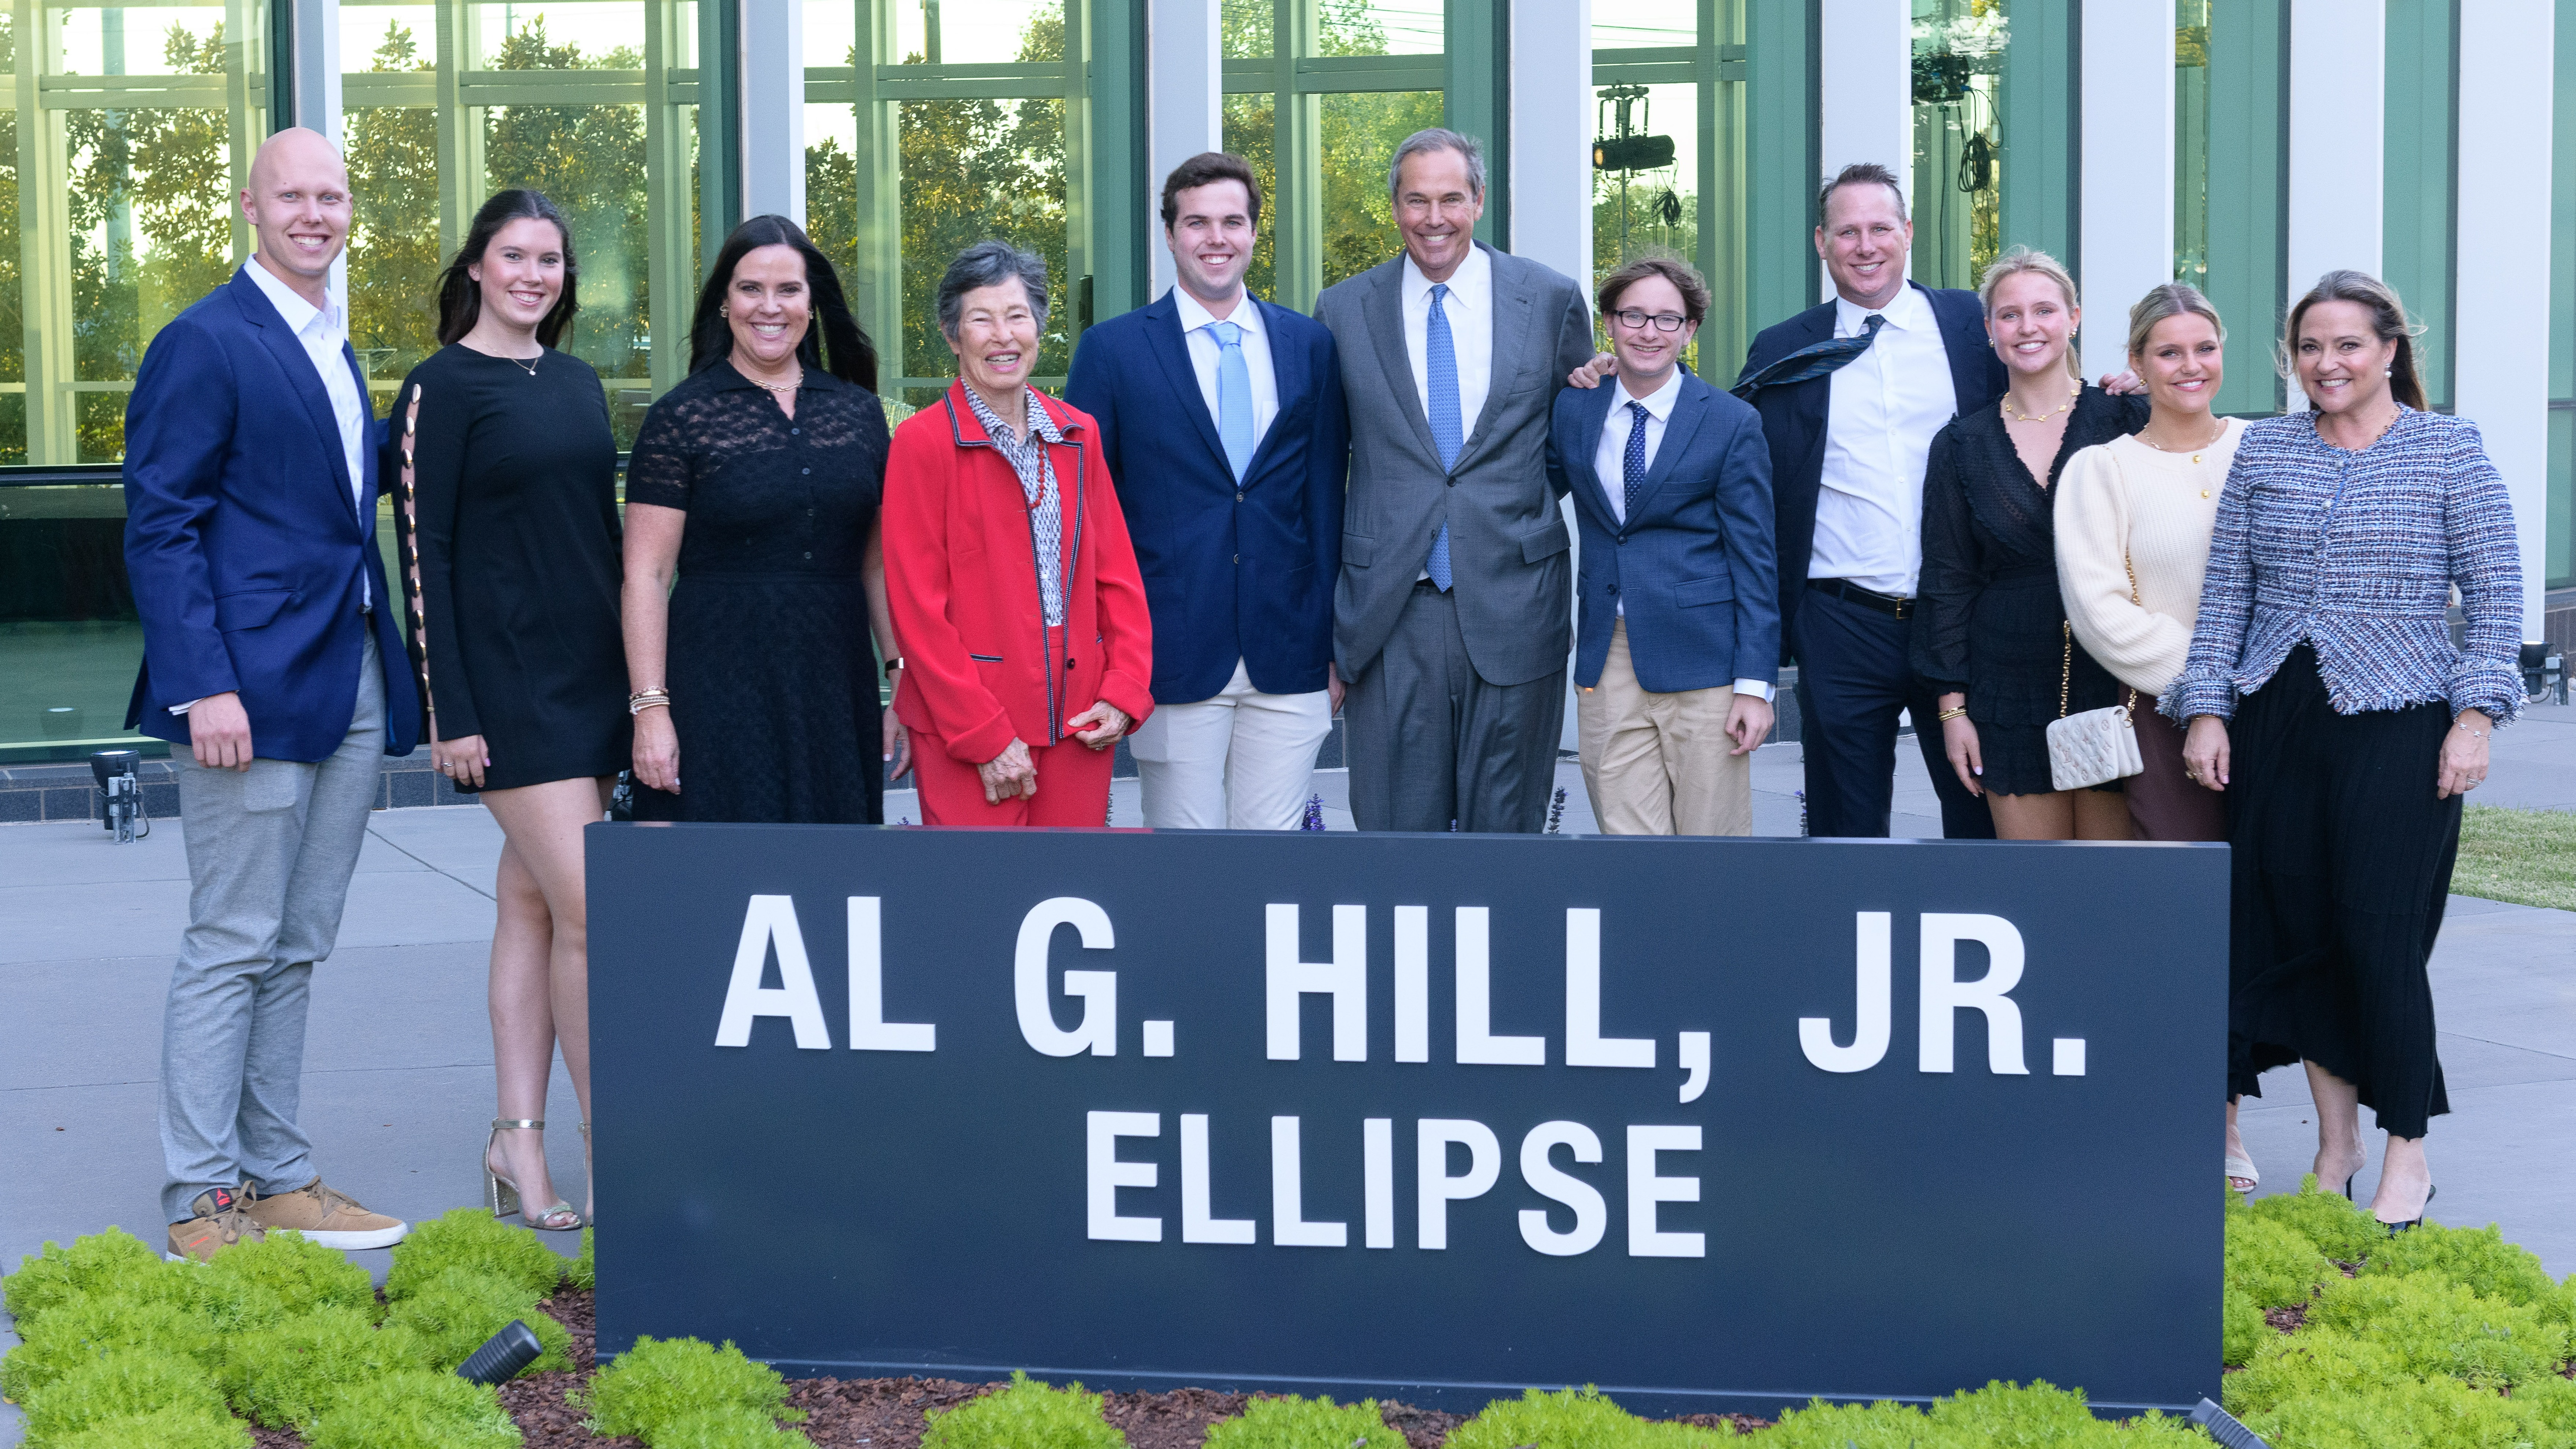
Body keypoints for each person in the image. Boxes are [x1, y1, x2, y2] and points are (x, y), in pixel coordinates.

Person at [2171, 270, 2523, 1231]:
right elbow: (2229, 593)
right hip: (2278, 716)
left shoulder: (2449, 449)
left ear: (2390, 352)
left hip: (2402, 720)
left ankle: (2407, 1151)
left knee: (2380, 939)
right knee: (2294, 934)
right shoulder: (2267, 449)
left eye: (2348, 346)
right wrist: (2206, 709)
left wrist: (2474, 716)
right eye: (2311, 347)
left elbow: (2495, 595)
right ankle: (2335, 1150)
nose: (2327, 364)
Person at [121, 126, 415, 1261]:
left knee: (298, 941)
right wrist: (204, 687)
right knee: (233, 938)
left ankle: (277, 1173)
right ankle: (201, 1198)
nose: (315, 213)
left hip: (344, 678)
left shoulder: (333, 345)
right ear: (250, 206)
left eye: (332, 196)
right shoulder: (204, 341)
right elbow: (162, 525)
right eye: (292, 195)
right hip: (244, 691)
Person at [386, 190, 624, 1230]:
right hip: (510, 691)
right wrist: (451, 709)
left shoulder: (577, 383)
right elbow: (421, 554)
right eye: (514, 256)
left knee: (532, 908)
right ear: (476, 267)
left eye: (551, 260)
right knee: (592, 912)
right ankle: (609, 1151)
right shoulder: (439, 387)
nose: (534, 274)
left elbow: (599, 540)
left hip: (593, 679)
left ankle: (513, 1144)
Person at [1317, 128, 1596, 833]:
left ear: (1477, 201)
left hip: (1514, 596)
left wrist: (1507, 511)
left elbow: (1570, 439)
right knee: (1391, 832)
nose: (1432, 217)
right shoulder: (1343, 311)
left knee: (1504, 835)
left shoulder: (1551, 298)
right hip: (1389, 610)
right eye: (1416, 200)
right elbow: (1325, 466)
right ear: (1394, 208)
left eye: (1449, 198)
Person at [1065, 152, 1348, 829]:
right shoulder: (1113, 351)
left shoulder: (1309, 344)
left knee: (1273, 864)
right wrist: (1109, 652)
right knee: (1186, 866)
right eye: (1196, 223)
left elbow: (1326, 498)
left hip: (1291, 650)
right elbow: (1087, 514)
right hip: (1168, 652)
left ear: (1254, 233)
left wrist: (1337, 643)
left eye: (1231, 221)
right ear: (1170, 235)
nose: (1215, 238)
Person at [1729, 162, 2005, 840]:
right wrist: (1618, 377)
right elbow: (1726, 445)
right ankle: (1842, 947)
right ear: (1821, 242)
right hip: (1840, 620)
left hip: (1958, 616)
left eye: (1880, 228)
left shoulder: (1972, 325)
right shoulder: (1785, 349)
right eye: (1847, 231)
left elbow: (2046, 393)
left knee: (1976, 806)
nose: (1865, 246)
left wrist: (2128, 391)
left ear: (1907, 233)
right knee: (1844, 826)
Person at [623, 214, 904, 824]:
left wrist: (900, 675)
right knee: (716, 881)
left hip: (834, 682)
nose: (768, 307)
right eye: (750, 289)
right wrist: (650, 710)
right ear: (724, 302)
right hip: (717, 682)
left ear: (812, 303)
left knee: (833, 881)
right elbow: (646, 575)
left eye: (788, 290)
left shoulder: (858, 414)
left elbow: (877, 563)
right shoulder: (681, 417)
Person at [883, 241, 1154, 826]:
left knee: (1072, 892)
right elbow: (917, 612)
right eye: (981, 319)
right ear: (953, 337)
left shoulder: (1078, 433)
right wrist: (983, 736)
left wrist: (1124, 689)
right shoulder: (921, 444)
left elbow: (1118, 577)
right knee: (973, 905)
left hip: (1080, 725)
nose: (1002, 336)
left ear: (1039, 327)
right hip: (968, 727)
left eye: (1017, 316)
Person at [1912, 247, 2148, 840]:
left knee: (2112, 886)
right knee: (2036, 891)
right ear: (1990, 330)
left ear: (2073, 317)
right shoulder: (1960, 445)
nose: (2027, 327)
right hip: (2006, 691)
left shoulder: (2126, 418)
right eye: (2009, 315)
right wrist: (1953, 711)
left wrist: (2158, 390)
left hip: (2111, 678)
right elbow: (1947, 581)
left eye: (2043, 310)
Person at [1546, 257, 1778, 835]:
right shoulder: (1574, 407)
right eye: (1633, 316)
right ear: (1609, 323)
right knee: (1628, 848)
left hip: (1705, 664)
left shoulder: (1730, 422)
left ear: (1690, 330)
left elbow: (1755, 561)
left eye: (1667, 319)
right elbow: (1532, 489)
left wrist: (1755, 685)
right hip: (1609, 656)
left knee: (1711, 850)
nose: (1649, 332)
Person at [2055, 282, 2239, 848]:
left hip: (2282, 712)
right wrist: (2212, 683)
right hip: (2168, 714)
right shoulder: (2103, 469)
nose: (2191, 367)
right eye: (2168, 353)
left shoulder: (2265, 447)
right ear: (2136, 362)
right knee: (2187, 895)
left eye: (2204, 348)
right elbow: (2099, 611)